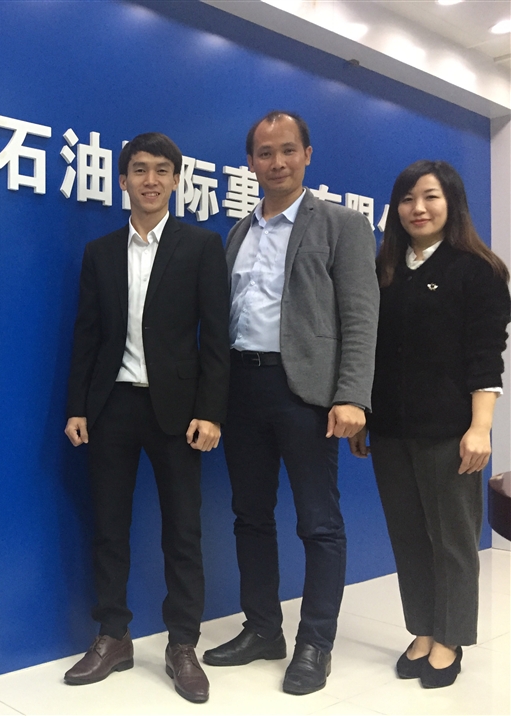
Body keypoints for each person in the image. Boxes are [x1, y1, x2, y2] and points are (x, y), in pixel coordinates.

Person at [202, 111, 379, 695]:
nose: (276, 162)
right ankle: (262, 629)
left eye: (287, 150)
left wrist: (352, 395)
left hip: (305, 393)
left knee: (318, 523)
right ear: (250, 163)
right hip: (242, 389)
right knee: (250, 517)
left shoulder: (341, 224)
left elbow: (360, 316)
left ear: (307, 155)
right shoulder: (238, 231)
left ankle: (315, 643)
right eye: (264, 153)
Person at [63, 132, 230, 703]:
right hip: (111, 407)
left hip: (178, 413)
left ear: (176, 180)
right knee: (109, 527)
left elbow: (217, 338)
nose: (150, 179)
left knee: (182, 531)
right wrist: (78, 406)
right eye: (139, 169)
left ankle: (182, 644)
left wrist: (211, 412)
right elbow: (86, 335)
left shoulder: (201, 246)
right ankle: (113, 635)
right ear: (123, 180)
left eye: (161, 169)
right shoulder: (100, 252)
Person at [349, 160, 510, 689]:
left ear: (452, 203)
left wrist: (481, 428)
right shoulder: (385, 270)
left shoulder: (479, 270)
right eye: (407, 199)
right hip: (391, 429)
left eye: (430, 197)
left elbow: (486, 357)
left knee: (453, 541)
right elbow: (368, 350)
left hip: (450, 431)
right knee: (409, 537)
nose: (417, 208)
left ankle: (451, 638)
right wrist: (362, 414)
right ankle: (421, 629)